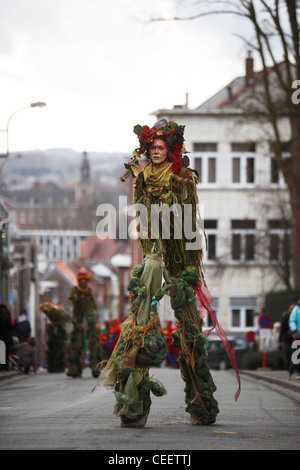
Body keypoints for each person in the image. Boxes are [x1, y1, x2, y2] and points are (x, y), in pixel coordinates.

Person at [97, 119, 240, 427]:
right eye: (152, 147)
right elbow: (141, 215)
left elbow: (189, 218)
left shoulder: (183, 178)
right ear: (146, 150)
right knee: (141, 310)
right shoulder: (143, 178)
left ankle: (200, 403)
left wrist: (188, 265)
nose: (156, 151)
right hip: (154, 248)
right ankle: (133, 404)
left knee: (188, 320)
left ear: (171, 150)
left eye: (161, 147)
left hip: (180, 251)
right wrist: (152, 250)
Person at [66, 268, 104, 378]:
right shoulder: (75, 290)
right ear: (79, 281)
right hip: (78, 317)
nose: (83, 281)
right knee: (77, 340)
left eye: (85, 280)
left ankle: (95, 368)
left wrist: (94, 314)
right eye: (81, 280)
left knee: (94, 341)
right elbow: (72, 298)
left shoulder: (89, 291)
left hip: (89, 316)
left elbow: (93, 304)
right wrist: (75, 299)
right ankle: (74, 369)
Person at [279, 305, 294, 374]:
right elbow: (282, 328)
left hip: (296, 337)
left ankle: (294, 368)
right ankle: (289, 367)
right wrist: (280, 339)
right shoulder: (286, 317)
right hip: (287, 338)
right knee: (288, 353)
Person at [289, 297, 300, 379]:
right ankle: (297, 372)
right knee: (297, 355)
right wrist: (294, 329)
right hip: (298, 335)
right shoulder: (296, 309)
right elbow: (292, 320)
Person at [0, 304, 13, 371]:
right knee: (5, 353)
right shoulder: (6, 317)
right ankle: (5, 367)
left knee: (1, 353)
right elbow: (10, 327)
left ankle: (1, 367)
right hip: (6, 338)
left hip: (1, 338)